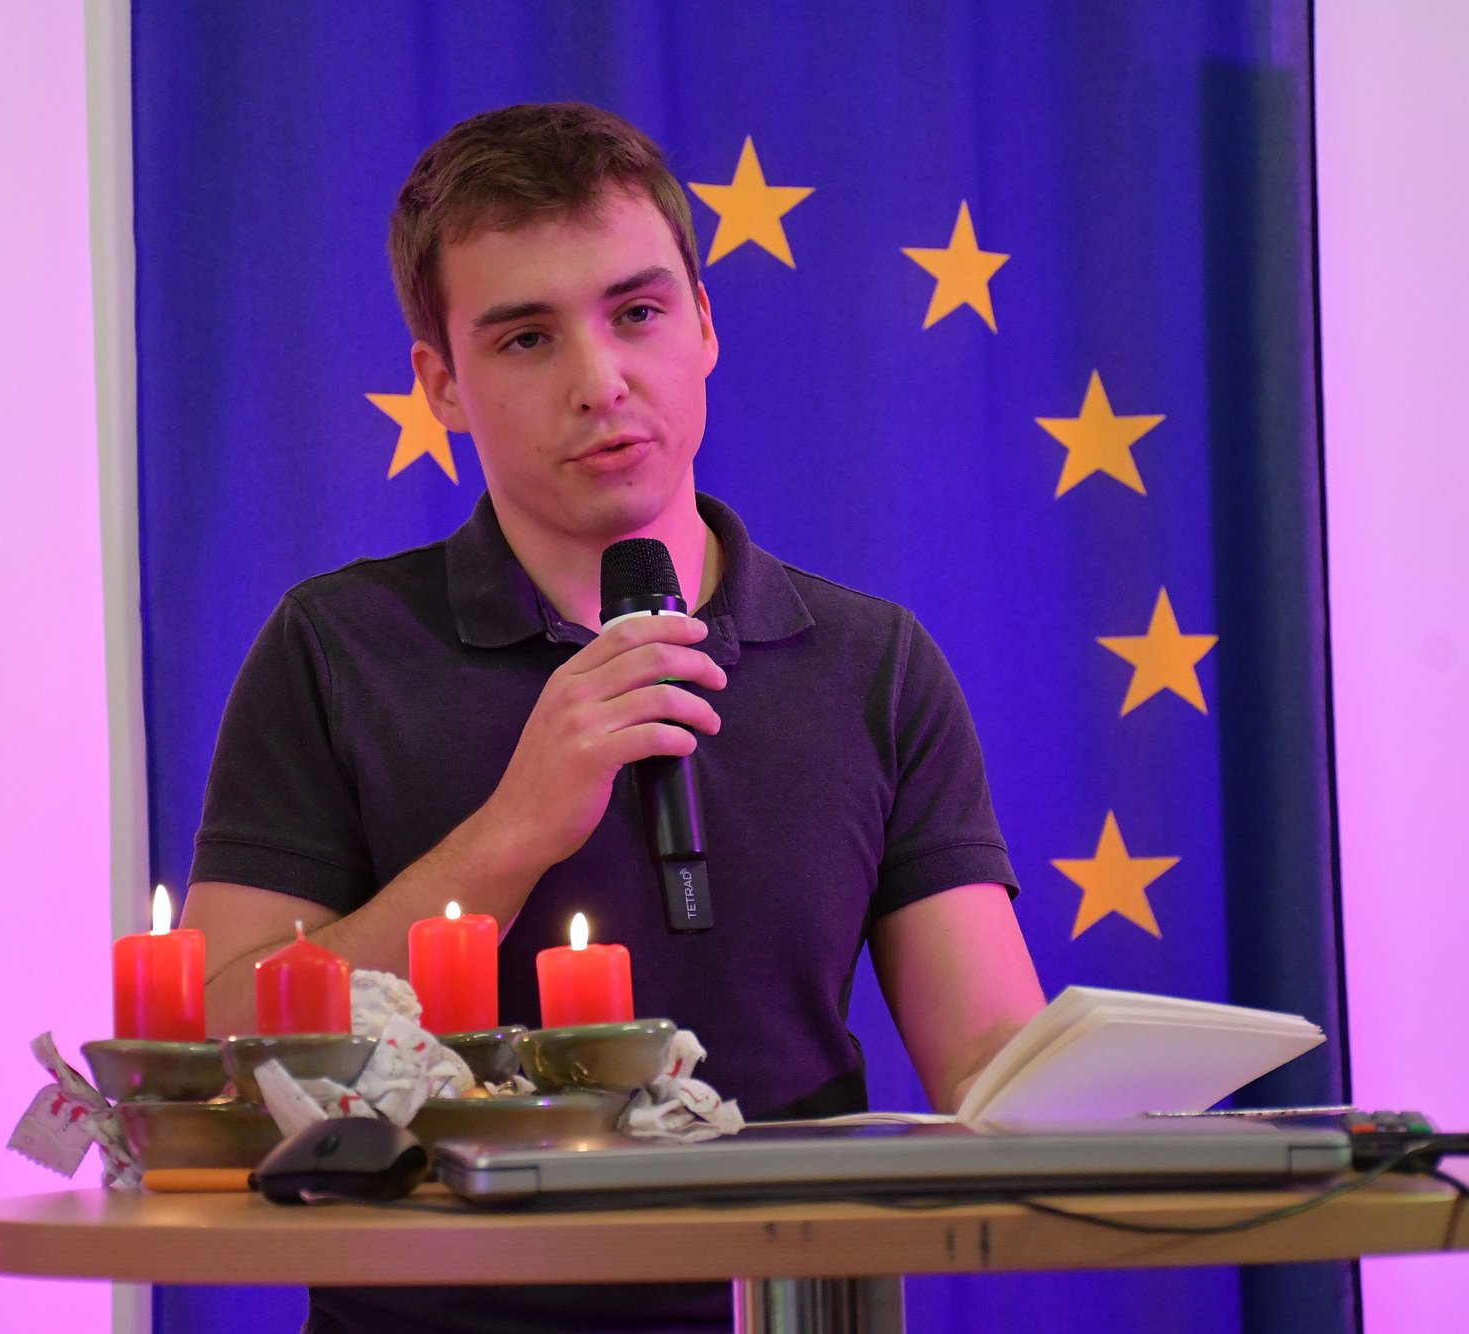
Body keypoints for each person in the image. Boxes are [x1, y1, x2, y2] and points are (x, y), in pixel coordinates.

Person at [183, 100, 1045, 1334]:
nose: (600, 383)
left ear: (704, 324)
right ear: (442, 385)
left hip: (789, 1307)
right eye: (527, 338)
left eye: (636, 313)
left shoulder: (872, 662)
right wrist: (513, 829)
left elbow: (996, 1069)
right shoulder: (334, 646)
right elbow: (221, 1052)